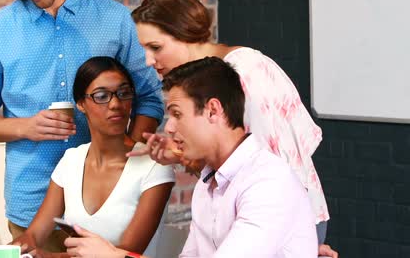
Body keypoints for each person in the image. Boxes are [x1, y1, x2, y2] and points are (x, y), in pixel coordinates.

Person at [0, 0, 163, 251]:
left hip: (109, 206)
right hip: (31, 201)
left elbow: (149, 100)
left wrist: (132, 163)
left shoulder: (114, 19)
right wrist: (26, 127)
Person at [128, 0, 337, 256]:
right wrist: (180, 153)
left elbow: (277, 168)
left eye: (155, 47)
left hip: (278, 220)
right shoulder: (207, 79)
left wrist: (295, 237)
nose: (148, 60)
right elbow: (230, 162)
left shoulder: (246, 70)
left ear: (184, 33)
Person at [65, 57, 318, 257]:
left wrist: (115, 256)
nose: (170, 128)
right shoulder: (206, 186)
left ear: (213, 111)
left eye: (177, 114)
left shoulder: (269, 183)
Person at [12, 57, 175, 257]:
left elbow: (125, 253)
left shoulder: (154, 166)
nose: (115, 104)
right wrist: (15, 249)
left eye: (123, 93)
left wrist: (51, 256)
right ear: (81, 104)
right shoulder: (71, 160)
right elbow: (34, 235)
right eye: (102, 96)